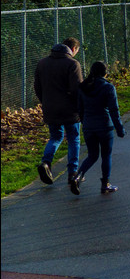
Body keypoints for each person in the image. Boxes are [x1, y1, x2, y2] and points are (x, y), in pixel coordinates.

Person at [33, 37, 84, 186]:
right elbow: (77, 90)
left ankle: (46, 162)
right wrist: (80, 108)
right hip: (70, 110)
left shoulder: (42, 63)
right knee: (74, 138)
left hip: (50, 107)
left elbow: (37, 86)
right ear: (74, 49)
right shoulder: (73, 64)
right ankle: (73, 172)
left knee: (55, 137)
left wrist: (45, 101)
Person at [72, 61, 125, 195]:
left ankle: (78, 176)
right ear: (105, 73)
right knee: (106, 155)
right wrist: (119, 129)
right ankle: (105, 184)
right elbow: (114, 110)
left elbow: (80, 109)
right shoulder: (108, 88)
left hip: (89, 127)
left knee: (92, 155)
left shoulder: (83, 87)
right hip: (104, 127)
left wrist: (86, 123)